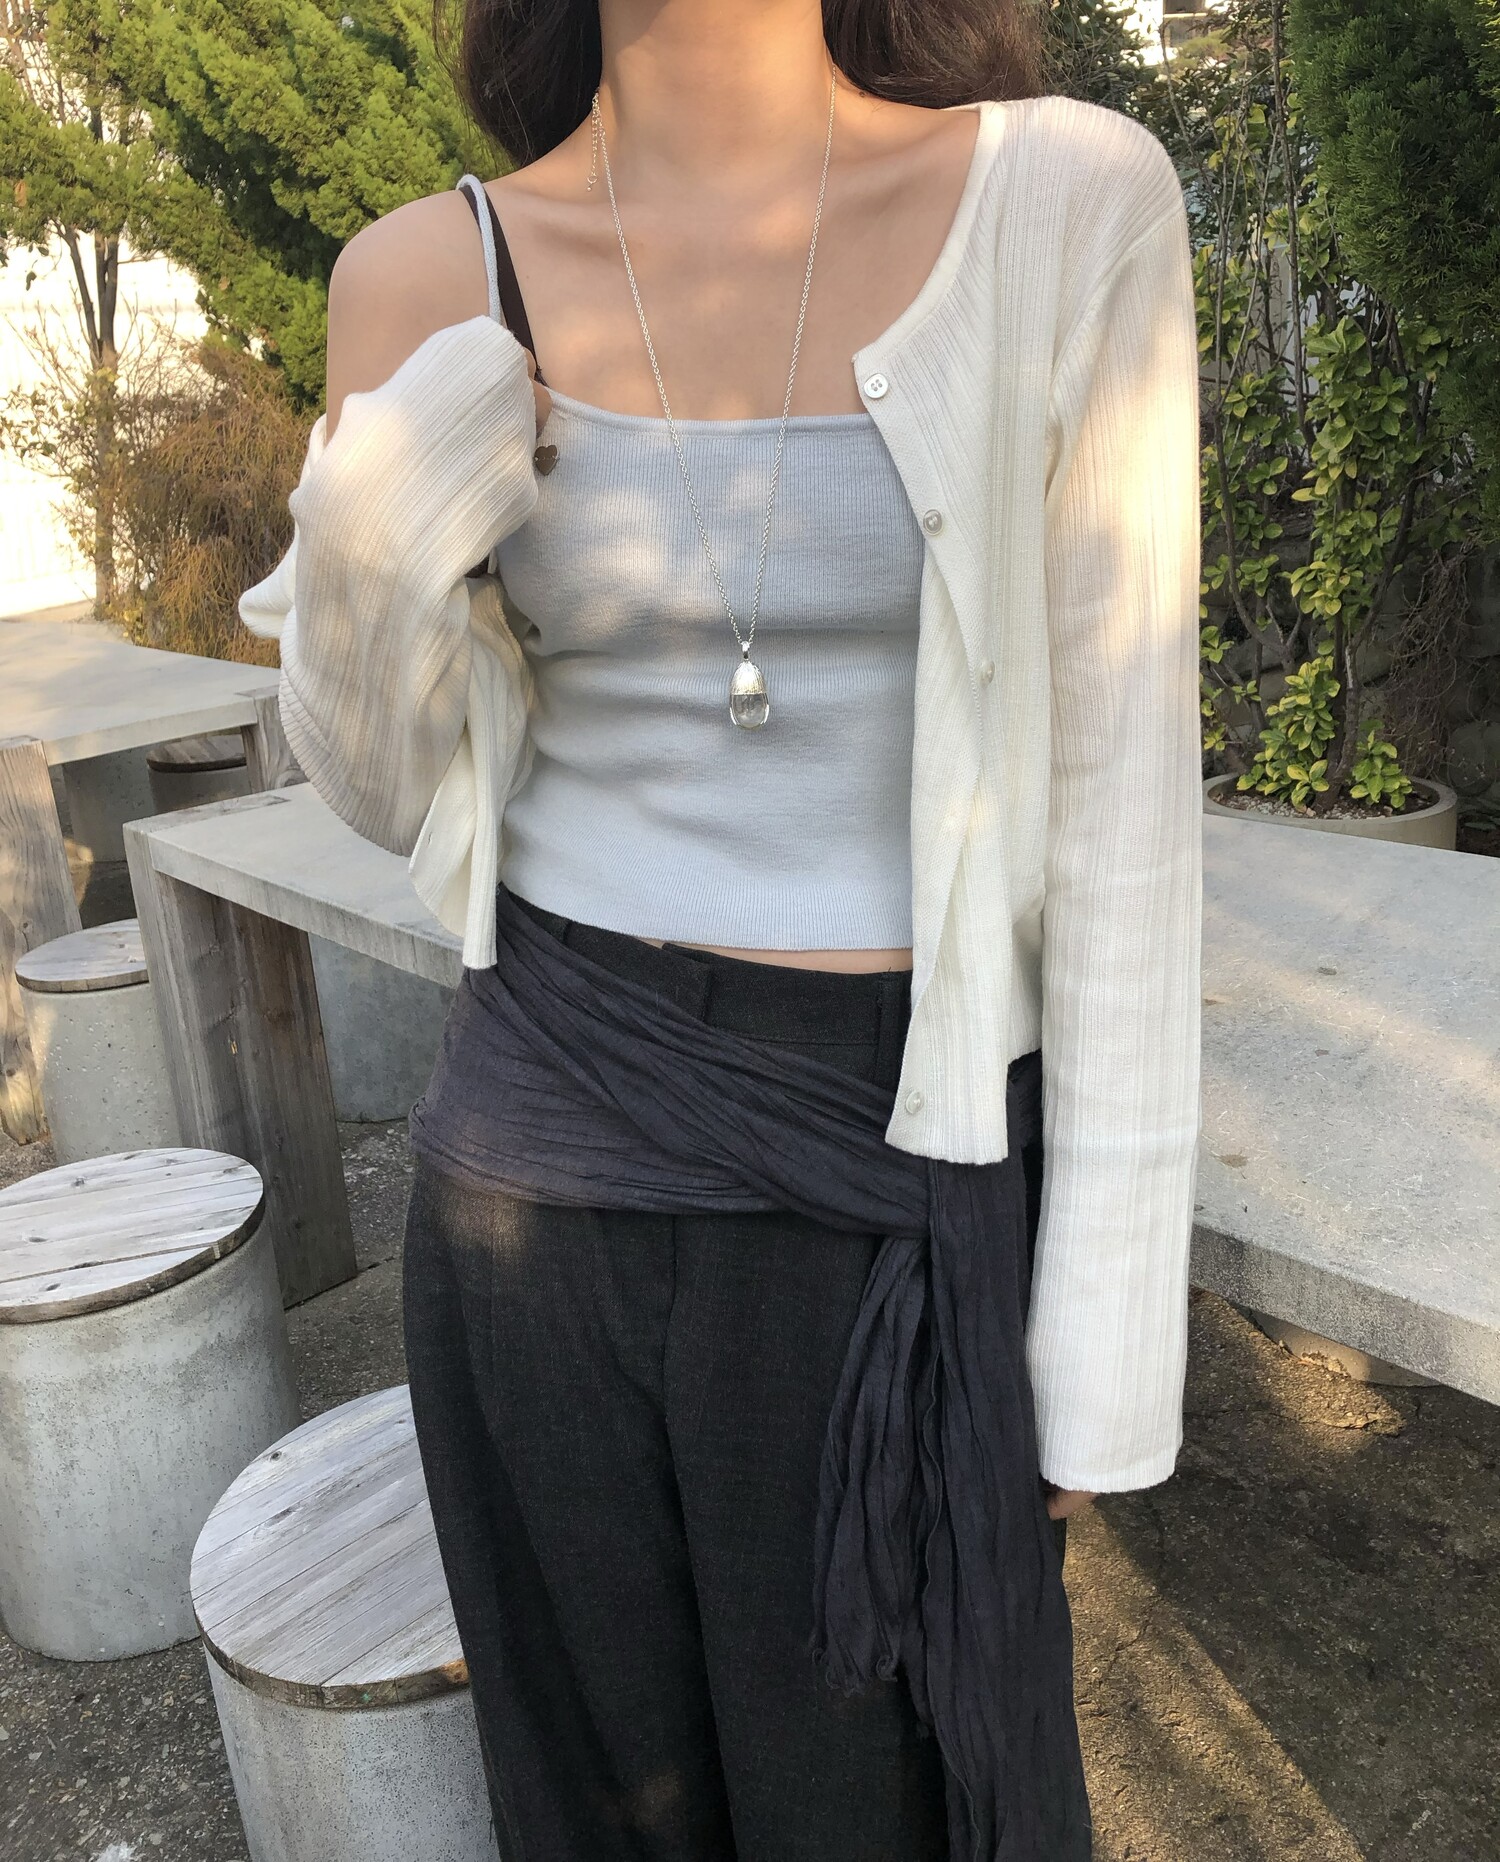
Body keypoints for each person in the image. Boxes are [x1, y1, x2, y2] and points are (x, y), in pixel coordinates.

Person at [240, 1, 1203, 1856]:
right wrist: (384, 510)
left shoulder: (1070, 200)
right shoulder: (424, 274)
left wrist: (1099, 1350)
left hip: (891, 1176)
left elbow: (1128, 809)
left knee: (886, 1807)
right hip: (535, 1177)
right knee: (596, 1811)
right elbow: (378, 784)